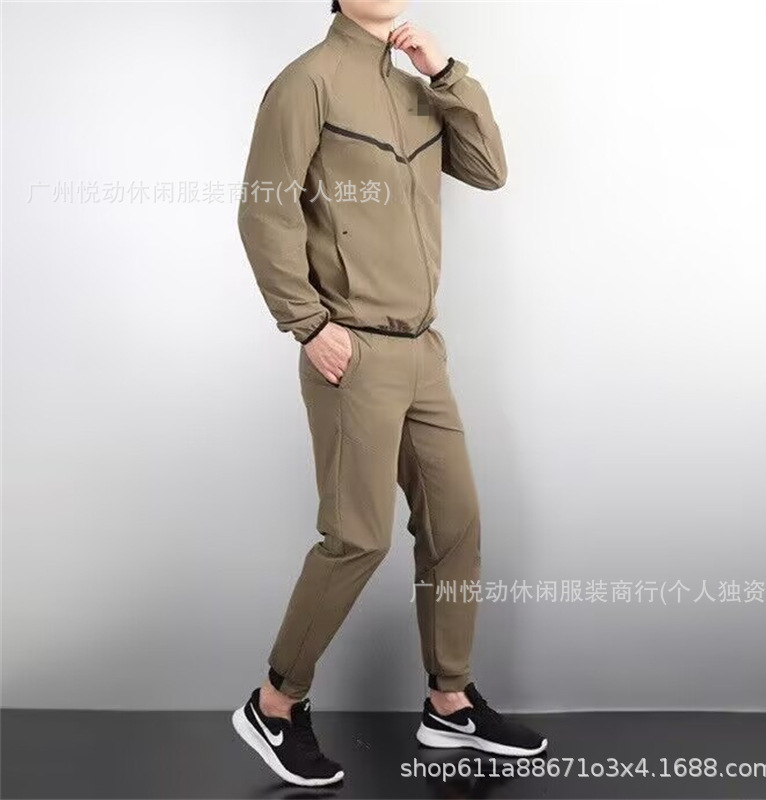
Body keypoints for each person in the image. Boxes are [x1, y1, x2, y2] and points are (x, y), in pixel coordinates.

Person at [232, 0, 548, 787]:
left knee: (456, 524)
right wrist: (308, 324)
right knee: (357, 538)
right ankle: (274, 705)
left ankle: (450, 702)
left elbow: (488, 169)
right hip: (352, 350)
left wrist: (445, 73)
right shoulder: (306, 82)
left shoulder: (419, 87)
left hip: (422, 351)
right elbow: (264, 209)